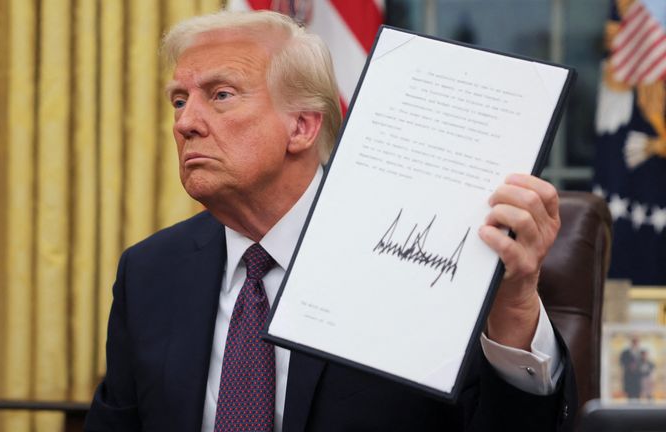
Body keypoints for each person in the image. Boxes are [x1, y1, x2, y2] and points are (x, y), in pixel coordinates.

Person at [85, 10, 576, 432]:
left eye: (220, 95)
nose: (185, 122)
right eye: (178, 99)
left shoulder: (419, 251)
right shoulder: (149, 272)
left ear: (301, 126)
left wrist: (512, 308)